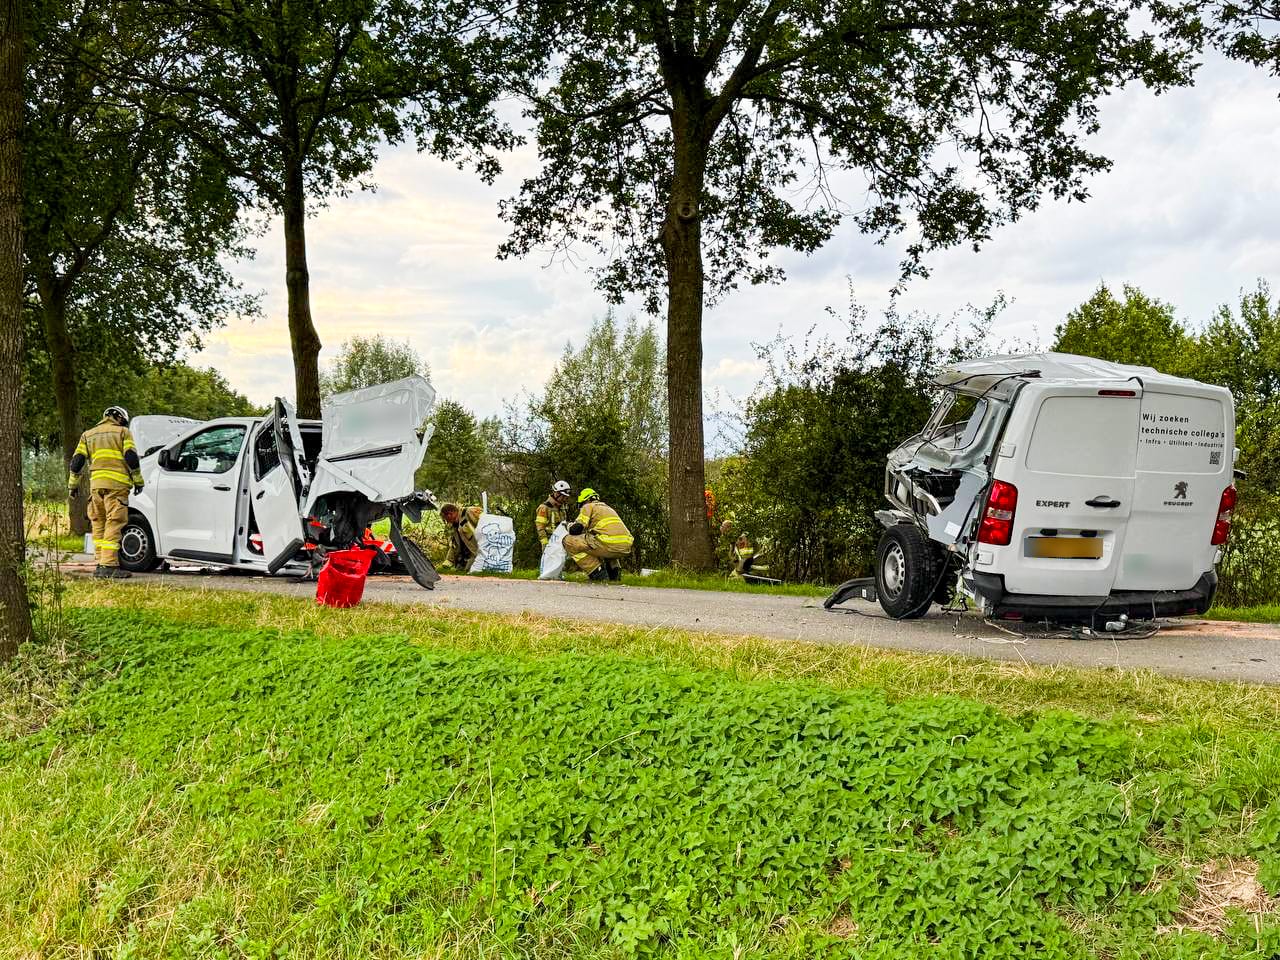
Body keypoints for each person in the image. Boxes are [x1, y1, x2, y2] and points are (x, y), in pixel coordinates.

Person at [67, 405, 144, 579]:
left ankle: (100, 564)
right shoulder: (123, 432)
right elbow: (131, 457)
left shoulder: (88, 435)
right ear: (120, 418)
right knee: (114, 522)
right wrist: (138, 481)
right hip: (116, 486)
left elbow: (77, 462)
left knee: (99, 523)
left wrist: (72, 486)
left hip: (96, 487)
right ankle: (109, 566)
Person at [564, 488, 633, 582]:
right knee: (602, 544)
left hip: (608, 543)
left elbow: (576, 530)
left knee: (568, 541)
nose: (581, 507)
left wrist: (568, 526)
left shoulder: (588, 506)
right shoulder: (608, 508)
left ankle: (597, 574)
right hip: (625, 545)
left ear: (586, 500)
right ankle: (614, 576)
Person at [439, 502, 483, 571]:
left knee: (470, 569)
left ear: (450, 514)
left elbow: (487, 523)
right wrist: (448, 561)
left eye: (445, 518)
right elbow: (454, 546)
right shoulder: (455, 526)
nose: (447, 521)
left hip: (481, 552)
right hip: (469, 555)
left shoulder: (469, 512)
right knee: (460, 569)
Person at [535, 480, 572, 550]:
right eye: (563, 496)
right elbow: (540, 528)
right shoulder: (544, 508)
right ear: (557, 493)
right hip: (550, 543)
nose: (565, 499)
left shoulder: (562, 507)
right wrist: (545, 544)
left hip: (562, 541)